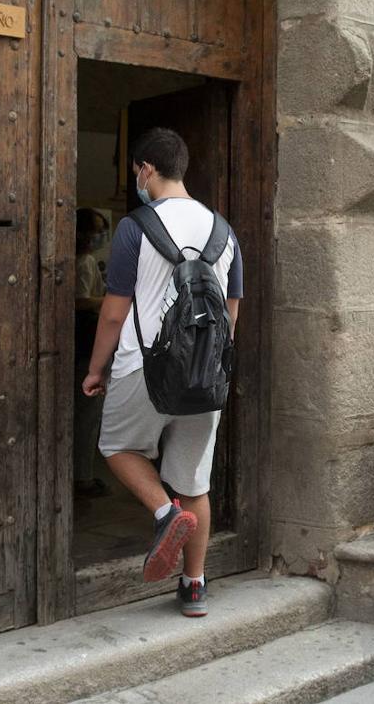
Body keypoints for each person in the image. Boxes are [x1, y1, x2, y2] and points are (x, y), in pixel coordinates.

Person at [82, 127, 243, 618]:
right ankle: (194, 588)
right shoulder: (224, 230)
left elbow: (113, 311)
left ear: (146, 170)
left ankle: (163, 514)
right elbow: (232, 310)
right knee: (195, 482)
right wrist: (210, 363)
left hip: (144, 367)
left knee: (117, 446)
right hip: (206, 375)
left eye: (136, 173)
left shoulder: (136, 228)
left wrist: (96, 369)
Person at [74, 208, 109, 500]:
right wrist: (108, 300)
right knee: (87, 414)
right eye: (94, 230)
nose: (97, 236)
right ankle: (82, 476)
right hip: (86, 344)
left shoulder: (81, 260)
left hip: (80, 344)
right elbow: (80, 301)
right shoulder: (84, 262)